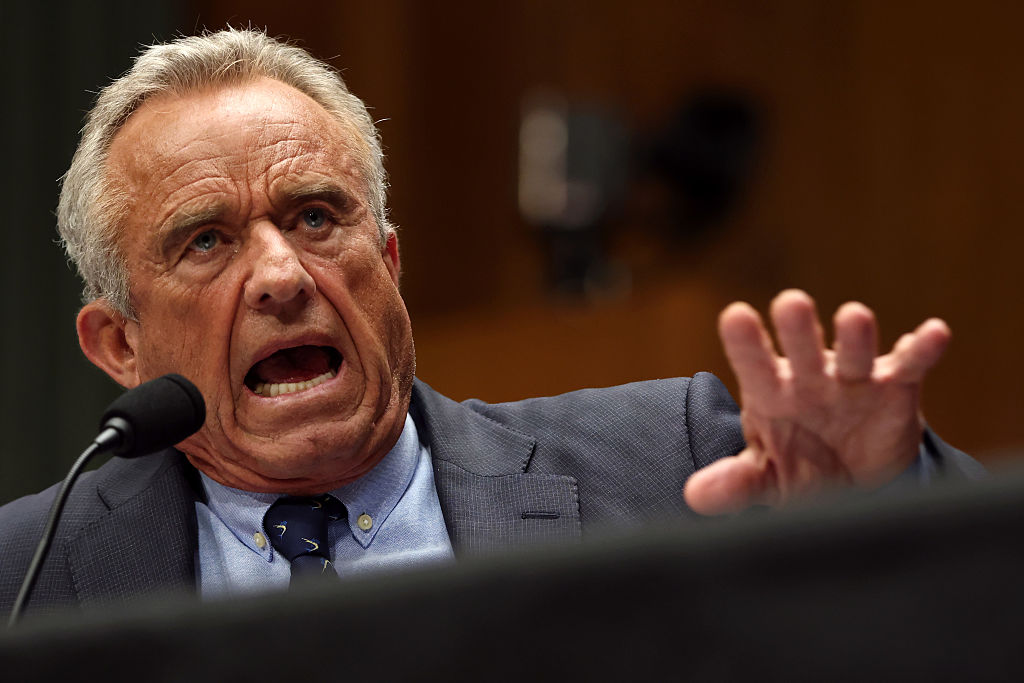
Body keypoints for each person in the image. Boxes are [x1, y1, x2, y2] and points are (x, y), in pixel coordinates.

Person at [0, 29, 981, 618]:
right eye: (206, 240)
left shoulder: (670, 461)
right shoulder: (29, 575)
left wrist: (891, 505)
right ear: (118, 344)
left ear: (387, 264)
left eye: (314, 216)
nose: (280, 274)